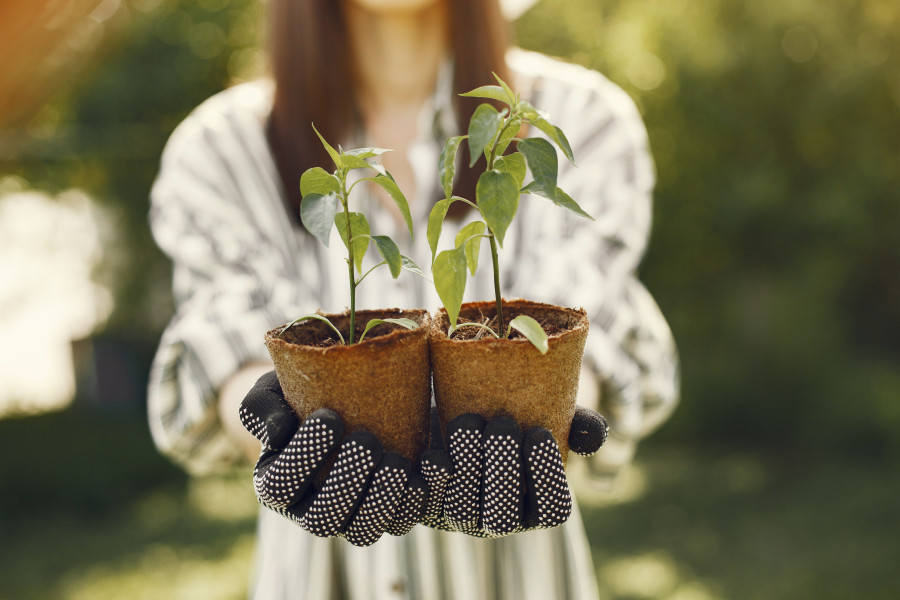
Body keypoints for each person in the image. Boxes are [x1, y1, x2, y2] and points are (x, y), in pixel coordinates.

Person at [147, 0, 679, 598]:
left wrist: (551, 415)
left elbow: (581, 316)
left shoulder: (583, 118)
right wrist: (279, 428)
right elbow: (226, 335)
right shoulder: (223, 148)